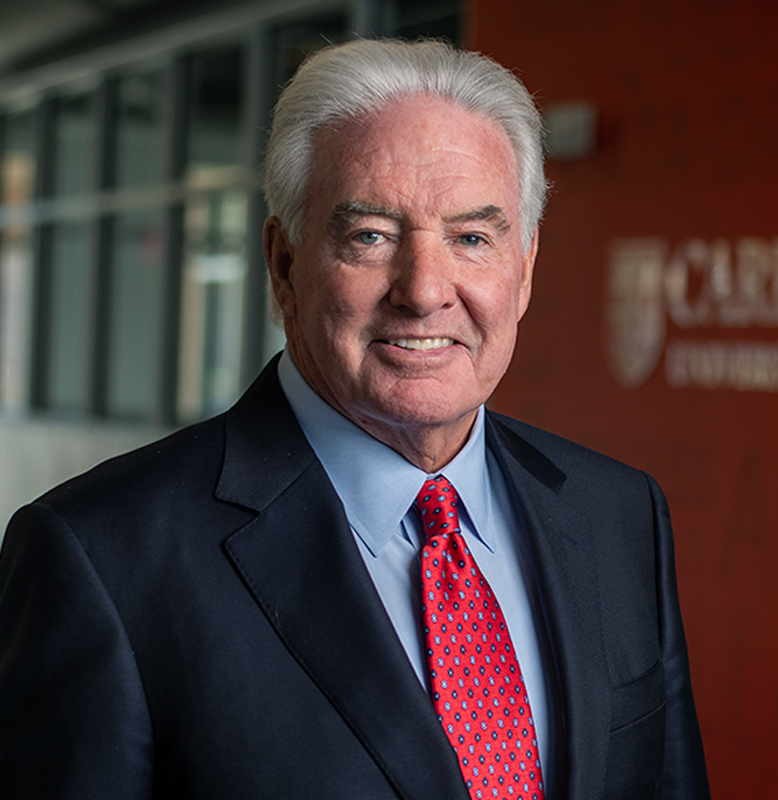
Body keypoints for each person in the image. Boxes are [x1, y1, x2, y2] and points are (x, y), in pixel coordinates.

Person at [0, 39, 709, 800]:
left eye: (472, 239)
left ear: (525, 268)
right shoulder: (102, 559)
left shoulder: (620, 516)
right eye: (371, 236)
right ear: (283, 264)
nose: (425, 290)